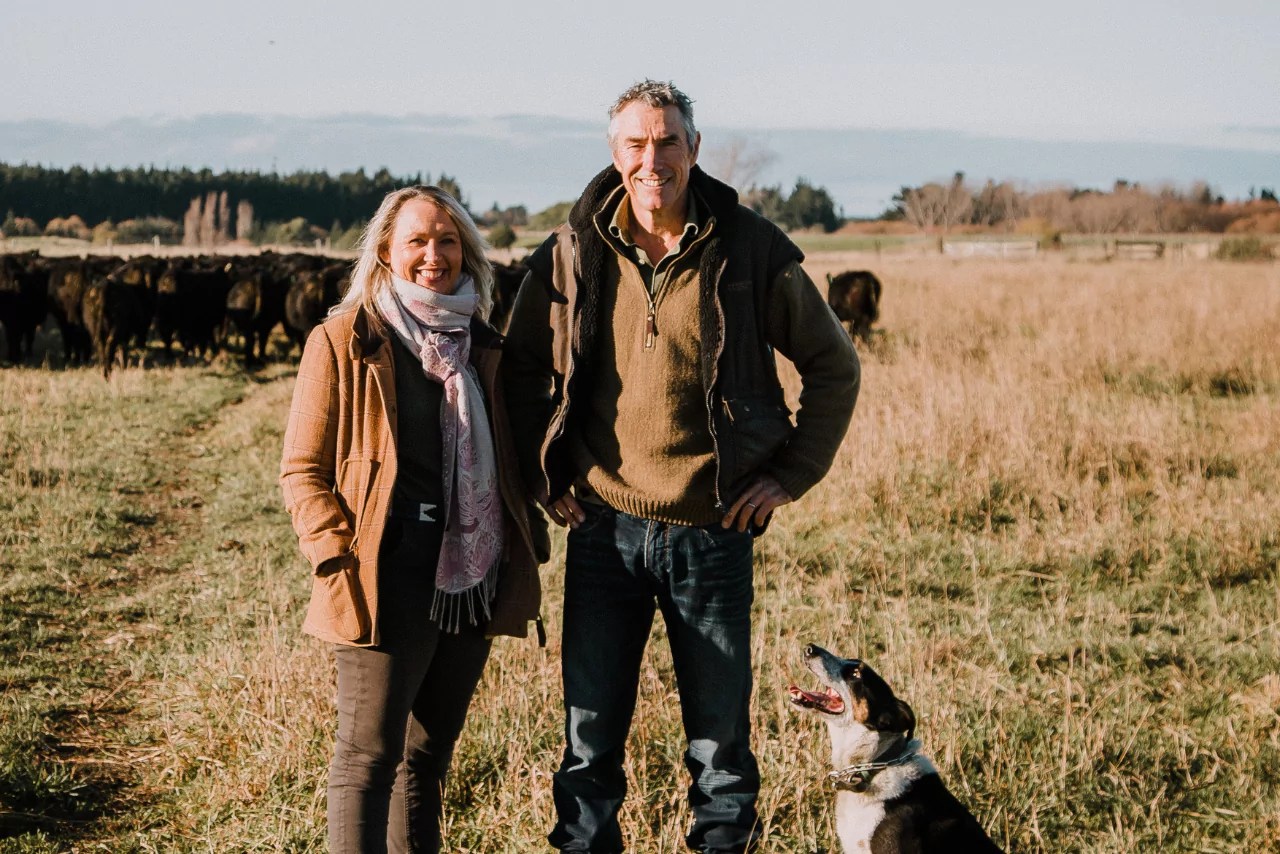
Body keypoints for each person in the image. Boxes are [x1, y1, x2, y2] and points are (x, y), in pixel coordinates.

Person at [501, 80, 861, 853]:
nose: (652, 158)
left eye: (668, 141)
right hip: (603, 531)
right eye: (636, 143)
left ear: (694, 149)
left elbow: (835, 369)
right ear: (614, 152)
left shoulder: (750, 248)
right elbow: (518, 369)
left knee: (721, 752)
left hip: (712, 533)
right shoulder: (574, 249)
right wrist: (548, 477)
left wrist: (788, 475)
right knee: (588, 746)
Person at [280, 185, 549, 854]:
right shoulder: (345, 339)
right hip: (386, 567)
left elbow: (522, 449)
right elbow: (301, 469)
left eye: (448, 239)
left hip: (472, 572)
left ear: (468, 252)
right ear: (385, 251)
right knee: (367, 758)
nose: (435, 254)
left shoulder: (483, 346)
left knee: (426, 760)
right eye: (418, 241)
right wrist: (334, 554)